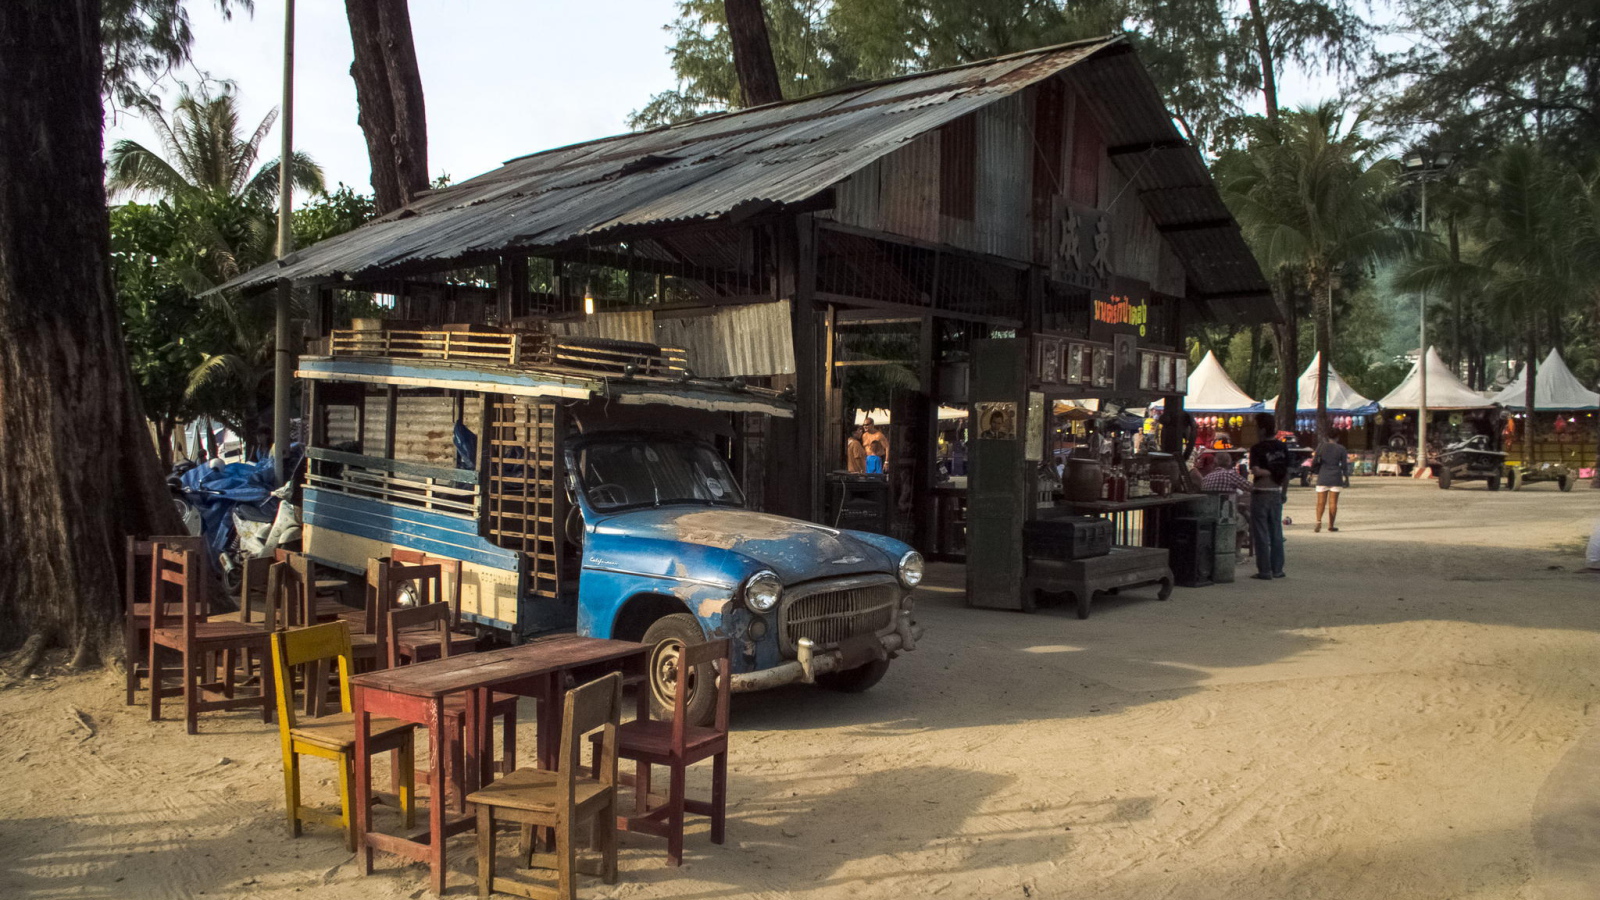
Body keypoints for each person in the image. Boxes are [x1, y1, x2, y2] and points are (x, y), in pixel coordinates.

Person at [1248, 414, 1290, 580]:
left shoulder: (1257, 448)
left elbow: (1256, 471)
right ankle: (1277, 569)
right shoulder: (1282, 447)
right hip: (1276, 492)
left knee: (1261, 533)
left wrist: (1267, 472)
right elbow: (1286, 472)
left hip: (1261, 492)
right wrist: (1284, 493)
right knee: (1276, 532)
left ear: (1262, 429)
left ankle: (1264, 570)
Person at [1312, 430, 1351, 533]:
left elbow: (1315, 461)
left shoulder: (1321, 447)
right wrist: (1346, 479)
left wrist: (1312, 472)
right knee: (1333, 503)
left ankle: (1318, 522)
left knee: (1320, 502)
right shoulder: (1341, 448)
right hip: (1336, 476)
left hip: (1323, 475)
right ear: (1337, 437)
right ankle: (1331, 525)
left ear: (1327, 436)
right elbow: (1344, 465)